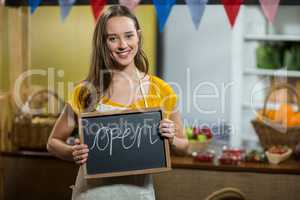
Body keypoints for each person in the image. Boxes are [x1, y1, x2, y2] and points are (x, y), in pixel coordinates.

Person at [47, 5, 188, 200]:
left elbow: (184, 146)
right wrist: (72, 153)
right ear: (102, 43)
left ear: (138, 36)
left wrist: (172, 138)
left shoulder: (161, 90)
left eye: (129, 36)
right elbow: (53, 143)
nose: (123, 45)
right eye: (113, 38)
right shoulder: (85, 92)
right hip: (91, 195)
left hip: (138, 195)